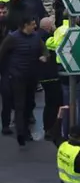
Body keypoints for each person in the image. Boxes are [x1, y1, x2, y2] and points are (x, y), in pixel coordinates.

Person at [0, 15, 46, 146]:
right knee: (20, 105)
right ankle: (21, 133)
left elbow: (44, 50)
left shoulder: (36, 37)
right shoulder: (12, 38)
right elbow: (1, 53)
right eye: (32, 24)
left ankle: (25, 129)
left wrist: (44, 56)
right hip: (17, 77)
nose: (35, 26)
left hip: (32, 77)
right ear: (25, 25)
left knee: (29, 104)